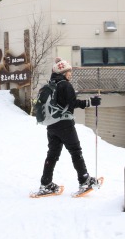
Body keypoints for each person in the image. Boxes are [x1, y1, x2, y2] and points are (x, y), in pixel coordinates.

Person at [38, 58, 101, 195]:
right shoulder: (65, 85)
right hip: (65, 124)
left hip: (51, 126)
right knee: (75, 152)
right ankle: (84, 180)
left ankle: (46, 183)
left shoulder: (50, 85)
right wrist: (91, 102)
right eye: (69, 71)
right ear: (64, 72)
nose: (70, 74)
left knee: (52, 155)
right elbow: (72, 103)